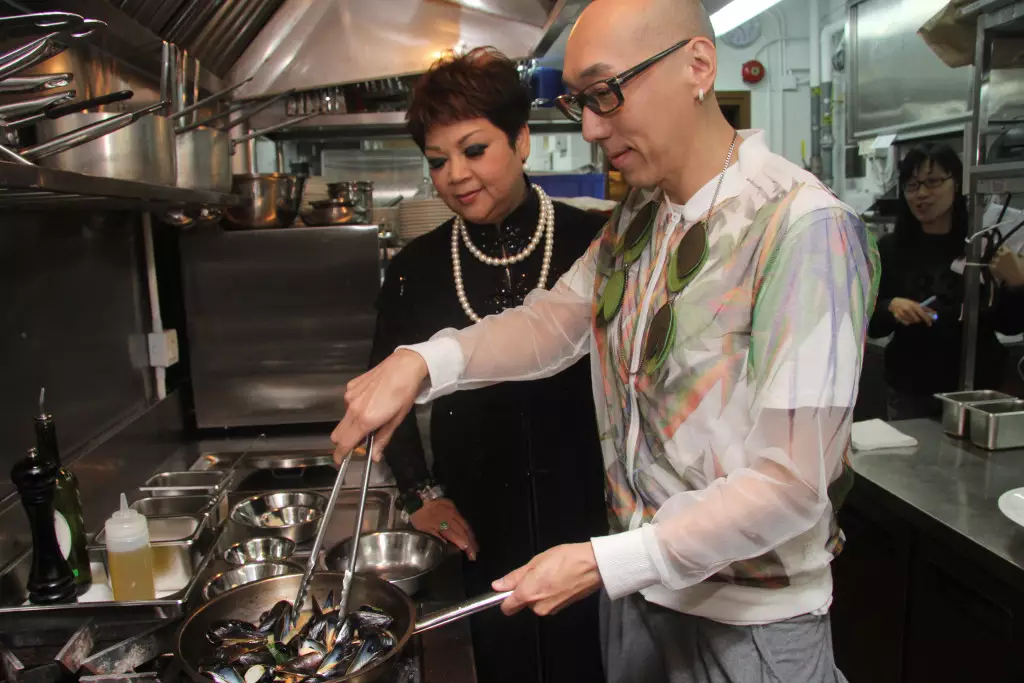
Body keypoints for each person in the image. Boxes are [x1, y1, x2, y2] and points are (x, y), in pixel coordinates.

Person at [332, 0, 879, 681]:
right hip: (641, 600)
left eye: (606, 92)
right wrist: (421, 361)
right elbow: (552, 323)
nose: (591, 126)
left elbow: (792, 486)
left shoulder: (801, 227)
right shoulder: (642, 217)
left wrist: (604, 561)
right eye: (580, 102)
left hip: (747, 621)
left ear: (697, 66)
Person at [369, 48, 608, 683]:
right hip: (477, 518)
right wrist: (422, 495)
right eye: (437, 161)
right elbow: (387, 395)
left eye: (474, 150)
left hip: (588, 510)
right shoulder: (416, 268)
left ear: (521, 140)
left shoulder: (594, 242)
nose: (455, 175)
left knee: (589, 661)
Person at [868, 144, 1024, 420]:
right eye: (912, 185)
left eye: (933, 182)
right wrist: (890, 306)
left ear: (958, 184)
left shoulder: (981, 245)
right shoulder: (889, 249)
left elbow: (1010, 325)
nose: (921, 194)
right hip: (911, 390)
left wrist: (1018, 284)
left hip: (977, 391)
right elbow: (871, 325)